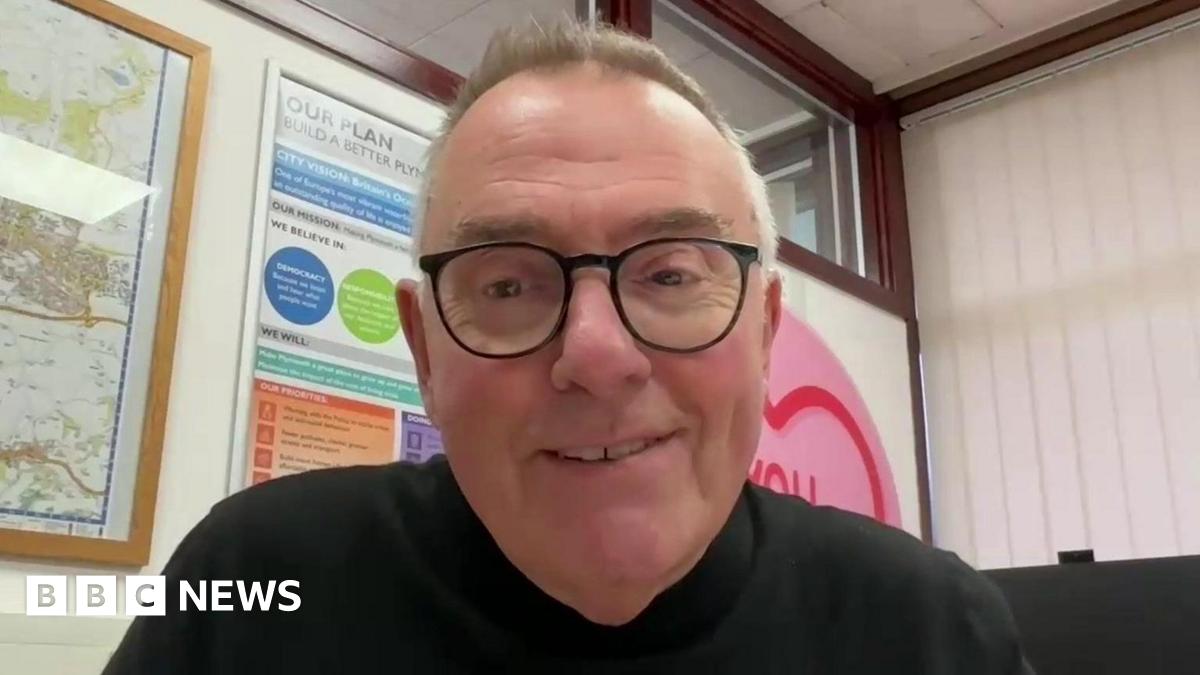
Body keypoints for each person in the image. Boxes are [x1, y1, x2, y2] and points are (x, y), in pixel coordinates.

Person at [105, 21, 1032, 674]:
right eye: (508, 283)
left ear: (762, 328)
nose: (595, 354)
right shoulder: (254, 581)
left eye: (669, 275)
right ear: (426, 351)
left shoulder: (928, 628)